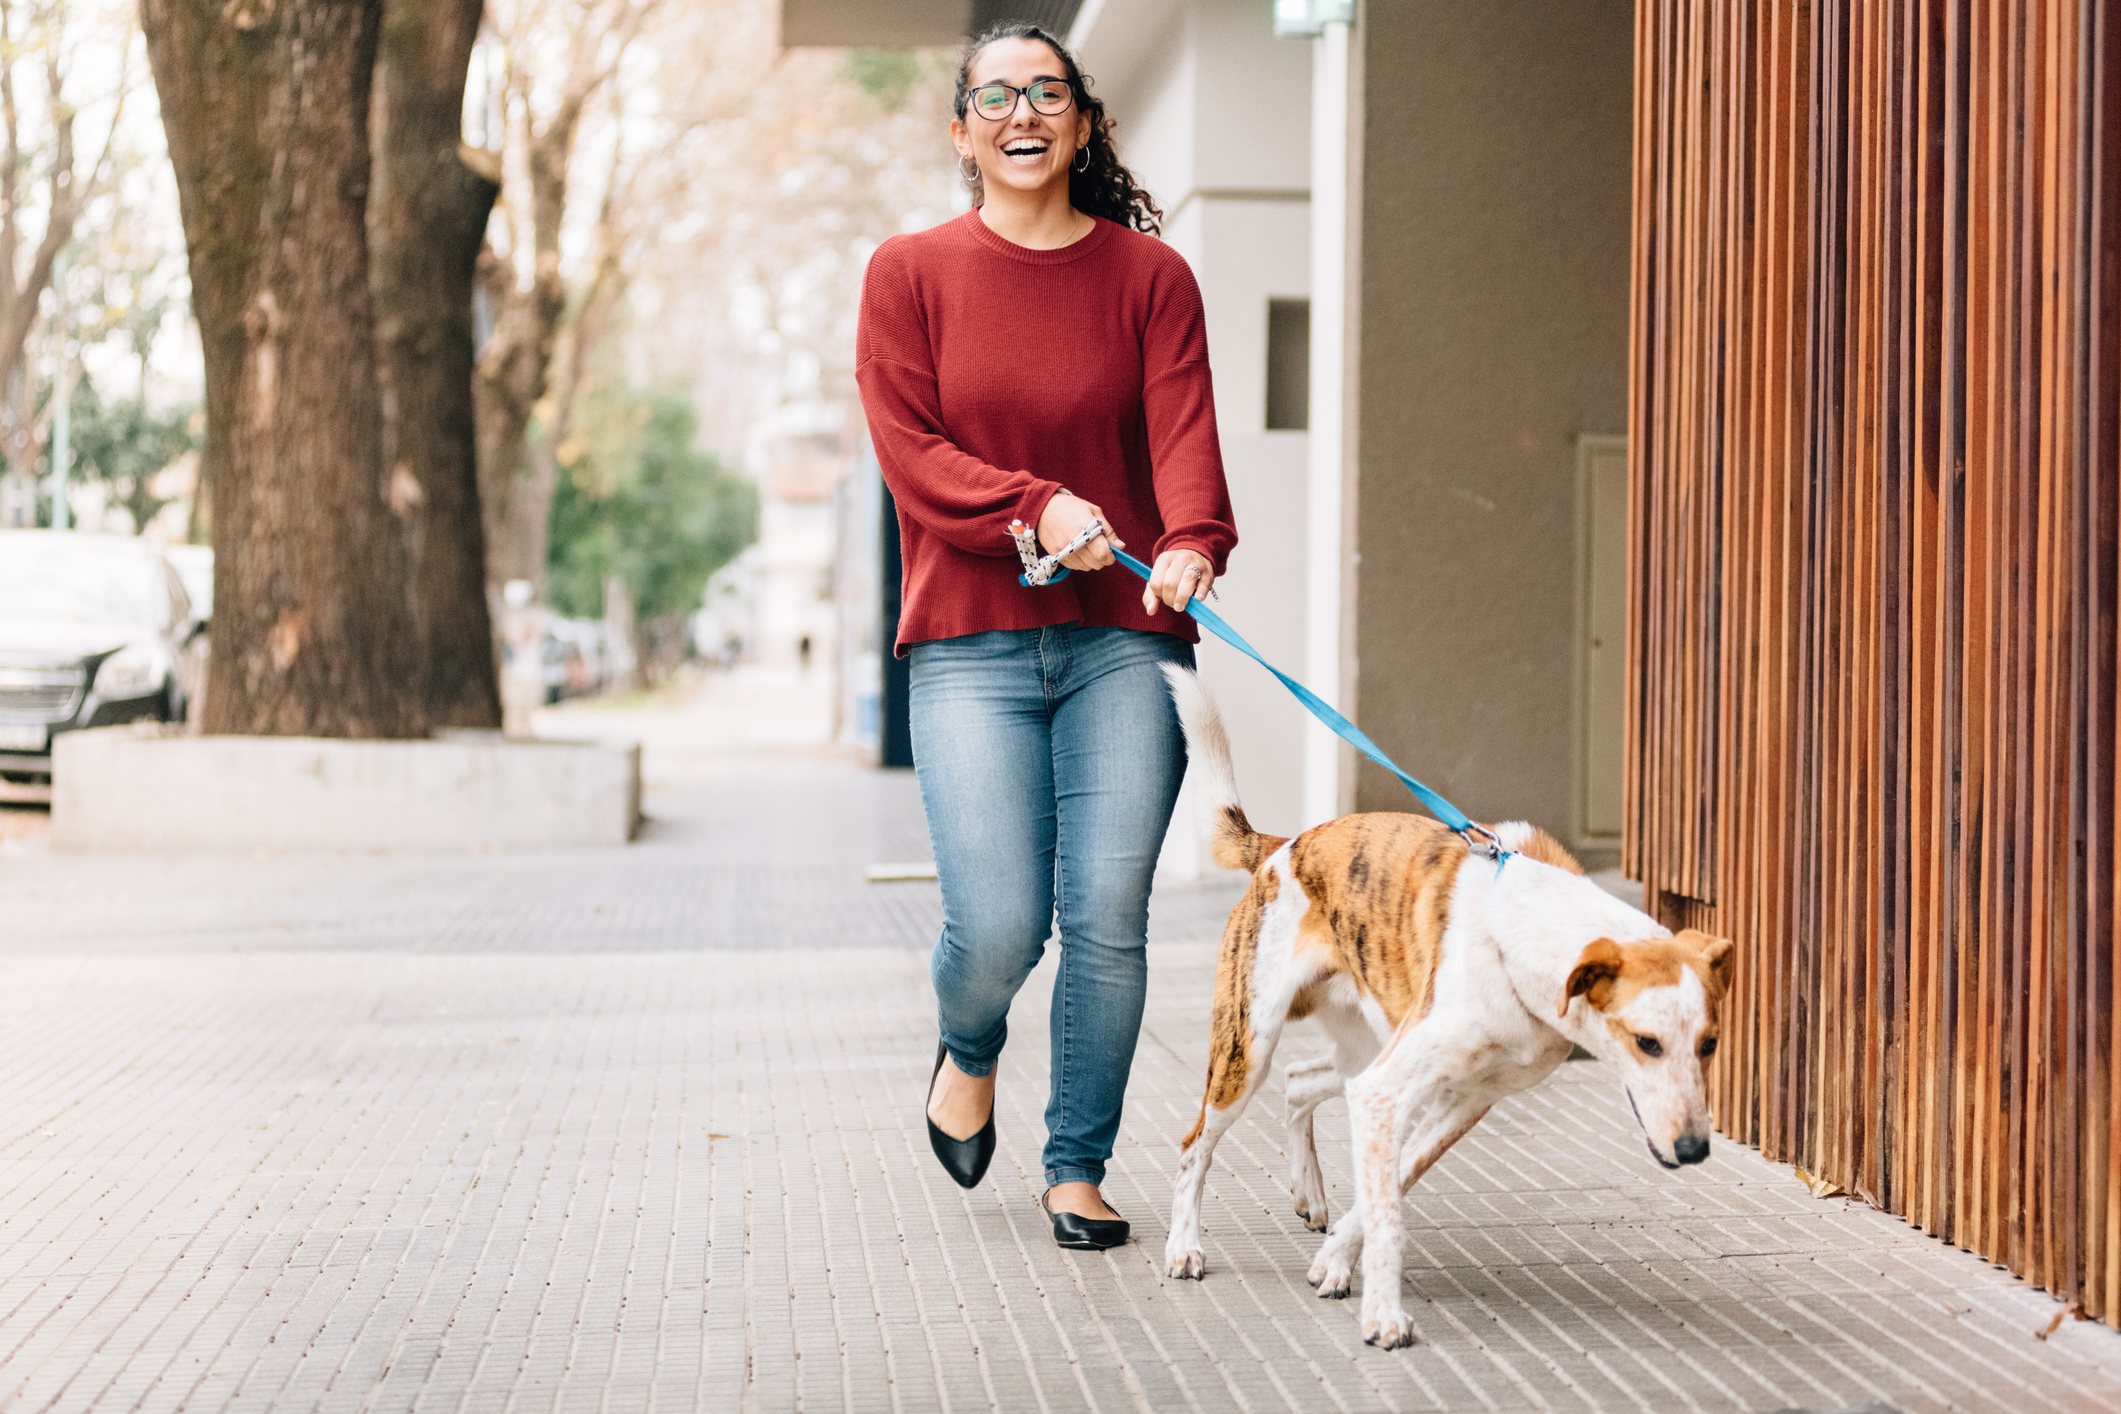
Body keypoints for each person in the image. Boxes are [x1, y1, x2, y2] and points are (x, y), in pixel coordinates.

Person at [855, 21, 1237, 1250]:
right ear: (963, 129)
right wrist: (1035, 506)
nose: (1025, 113)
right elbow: (913, 460)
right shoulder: (908, 275)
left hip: (1125, 636)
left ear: (1082, 122)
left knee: (1108, 916)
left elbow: (1184, 435)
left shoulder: (1147, 278)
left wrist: (1188, 540)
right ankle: (969, 1044)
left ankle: (1077, 1162)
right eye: (997, 96)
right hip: (969, 640)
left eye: (1048, 94)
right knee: (1002, 925)